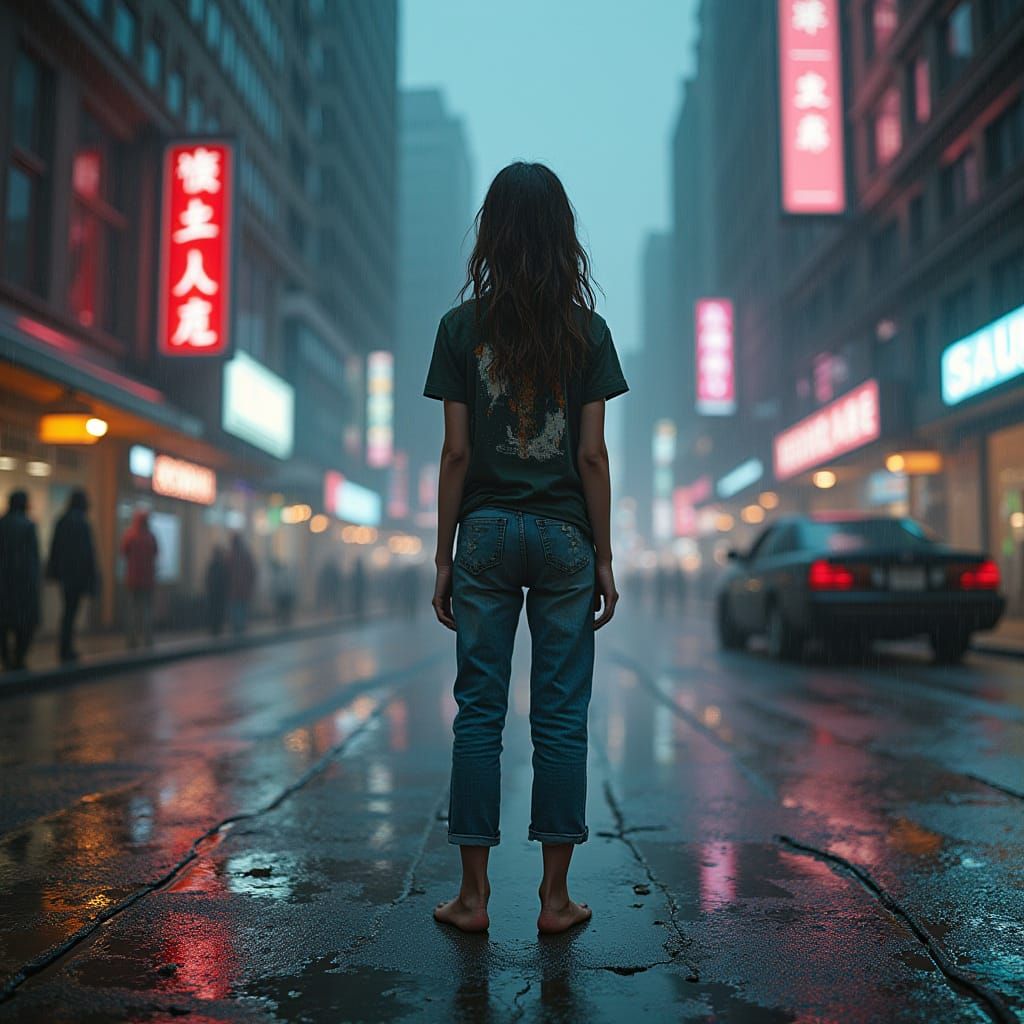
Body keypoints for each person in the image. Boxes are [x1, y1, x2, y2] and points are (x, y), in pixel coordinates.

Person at [424, 163, 628, 935]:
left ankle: (473, 899)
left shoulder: (459, 328)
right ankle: (554, 900)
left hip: (481, 531)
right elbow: (592, 458)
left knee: (478, 711)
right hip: (565, 536)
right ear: (561, 238)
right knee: (561, 716)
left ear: (493, 235)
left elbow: (453, 455)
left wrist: (443, 556)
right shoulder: (588, 332)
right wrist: (604, 556)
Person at [46, 488, 98, 663]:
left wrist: (53, 572)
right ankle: (66, 648)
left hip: (65, 575)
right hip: (78, 576)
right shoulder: (83, 523)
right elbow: (88, 554)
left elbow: (54, 548)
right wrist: (92, 578)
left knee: (67, 612)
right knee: (71, 612)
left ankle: (64, 647)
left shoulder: (62, 521)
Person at [0, 491, 41, 671]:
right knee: (24, 624)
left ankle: (6, 658)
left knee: (3, 623)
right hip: (24, 584)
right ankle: (19, 657)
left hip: (4, 583)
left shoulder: (2, 524)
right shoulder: (28, 526)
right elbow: (33, 559)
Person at [120, 507, 158, 649]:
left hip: (132, 580)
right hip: (147, 580)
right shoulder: (151, 537)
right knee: (147, 610)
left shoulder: (130, 535)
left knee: (132, 610)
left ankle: (131, 640)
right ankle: (148, 639)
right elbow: (156, 553)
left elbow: (123, 552)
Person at [226, 533, 256, 634]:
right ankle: (239, 630)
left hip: (237, 592)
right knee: (239, 613)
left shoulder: (233, 556)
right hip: (239, 592)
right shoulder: (239, 556)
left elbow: (251, 572)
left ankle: (239, 630)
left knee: (238, 613)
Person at [205, 544, 229, 636]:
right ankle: (216, 628)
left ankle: (215, 628)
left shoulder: (216, 565)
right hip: (217, 593)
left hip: (216, 593)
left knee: (216, 611)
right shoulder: (219, 565)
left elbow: (208, 579)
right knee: (217, 611)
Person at [269, 558, 296, 627]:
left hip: (283, 595)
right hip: (285, 594)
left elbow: (276, 586)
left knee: (283, 610)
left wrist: (273, 594)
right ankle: (285, 622)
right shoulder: (285, 573)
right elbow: (290, 584)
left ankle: (284, 623)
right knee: (284, 611)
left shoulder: (278, 574)